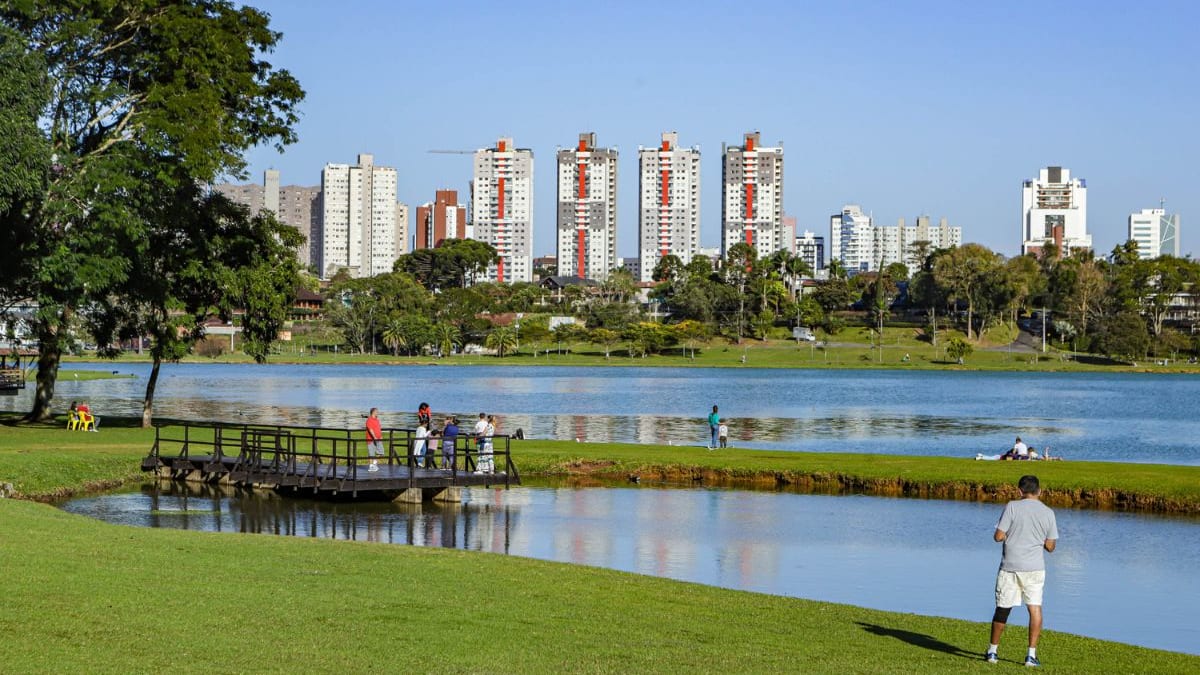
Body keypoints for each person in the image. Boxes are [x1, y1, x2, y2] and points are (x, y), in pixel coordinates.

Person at [986, 474, 1058, 667]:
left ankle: (993, 652)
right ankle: (1030, 655)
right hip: (1035, 568)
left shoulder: (1012, 506)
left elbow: (998, 536)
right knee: (1035, 608)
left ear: (1020, 491)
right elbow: (1051, 547)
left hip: (1010, 566)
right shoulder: (1048, 512)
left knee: (1003, 609)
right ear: (1039, 491)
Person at [365, 408, 383, 472]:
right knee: (371, 453)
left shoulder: (377, 420)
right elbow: (370, 429)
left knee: (381, 452)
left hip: (378, 439)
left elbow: (378, 428)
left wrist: (380, 436)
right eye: (376, 412)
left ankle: (374, 463)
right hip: (371, 439)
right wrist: (374, 437)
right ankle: (371, 466)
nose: (378, 413)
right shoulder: (369, 420)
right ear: (373, 412)